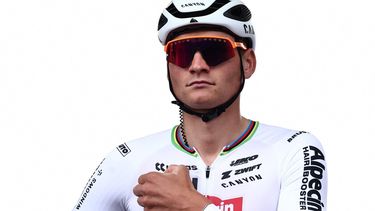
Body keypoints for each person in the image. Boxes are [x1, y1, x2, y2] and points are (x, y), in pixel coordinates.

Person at [73, 0, 328, 210]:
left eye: (214, 50)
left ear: (248, 62)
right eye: (181, 53)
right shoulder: (127, 158)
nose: (197, 65)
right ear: (169, 66)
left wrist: (192, 205)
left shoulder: (293, 149)